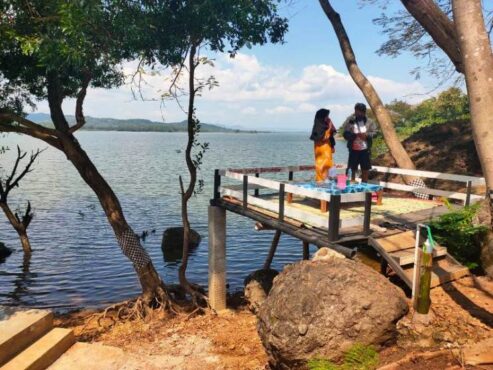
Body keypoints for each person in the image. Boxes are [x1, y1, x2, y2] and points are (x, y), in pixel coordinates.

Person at [342, 103, 377, 183]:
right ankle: (352, 185)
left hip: (365, 150)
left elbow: (375, 133)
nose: (358, 114)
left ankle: (364, 186)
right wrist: (352, 135)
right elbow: (345, 133)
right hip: (353, 150)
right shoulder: (350, 121)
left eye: (360, 112)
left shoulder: (370, 121)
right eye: (356, 112)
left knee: (365, 169)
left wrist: (366, 136)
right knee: (351, 169)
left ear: (364, 112)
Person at [310, 108, 336, 183]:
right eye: (326, 116)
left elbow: (331, 136)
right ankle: (321, 182)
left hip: (327, 149)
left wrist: (332, 146)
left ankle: (330, 181)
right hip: (320, 150)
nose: (328, 118)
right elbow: (323, 137)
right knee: (322, 165)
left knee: (330, 164)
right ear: (322, 117)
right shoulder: (318, 127)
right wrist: (330, 127)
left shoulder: (326, 125)